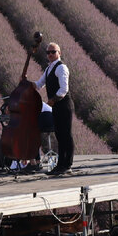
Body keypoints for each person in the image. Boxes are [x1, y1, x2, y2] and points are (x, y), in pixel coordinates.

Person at [34, 42, 73, 175]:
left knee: (66, 135)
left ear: (59, 53)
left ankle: (67, 164)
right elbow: (39, 84)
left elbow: (64, 89)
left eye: (53, 52)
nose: (50, 54)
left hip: (63, 105)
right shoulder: (49, 68)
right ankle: (60, 165)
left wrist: (52, 100)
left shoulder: (61, 68)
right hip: (56, 105)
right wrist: (26, 83)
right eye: (48, 52)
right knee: (59, 135)